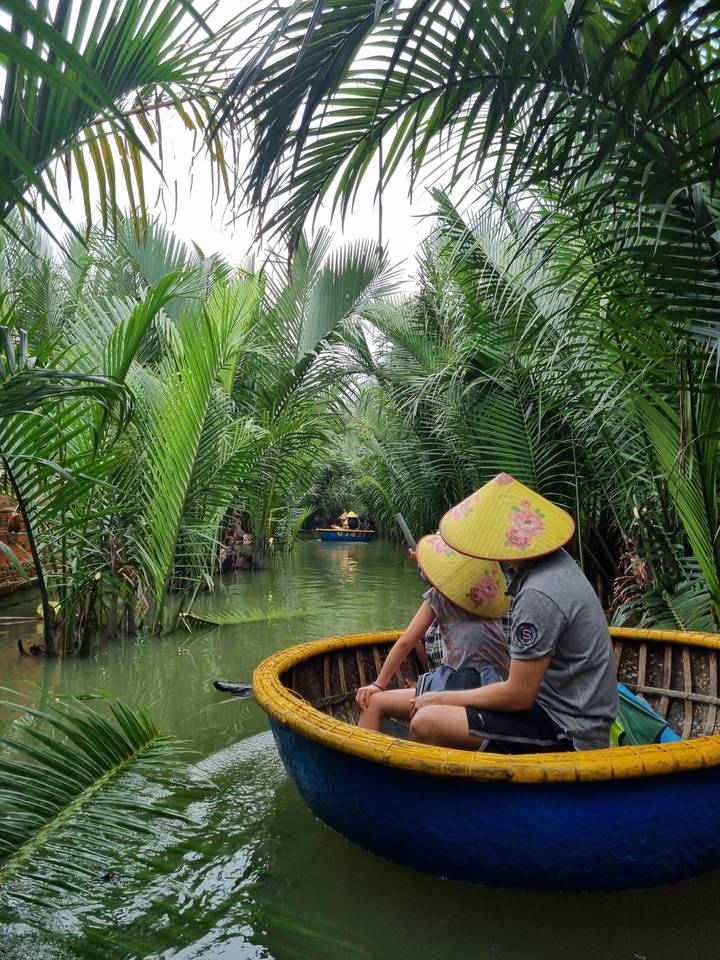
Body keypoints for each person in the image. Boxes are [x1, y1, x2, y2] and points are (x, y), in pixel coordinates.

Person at [408, 473, 618, 753]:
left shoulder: (537, 595)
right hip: (556, 708)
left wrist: (441, 699)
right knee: (441, 703)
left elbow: (519, 696)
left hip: (569, 730)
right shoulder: (558, 564)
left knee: (426, 722)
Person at [356, 533, 510, 731]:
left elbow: (407, 642)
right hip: (498, 686)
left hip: (460, 683)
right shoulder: (497, 592)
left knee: (372, 703)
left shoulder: (439, 596)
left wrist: (378, 685)